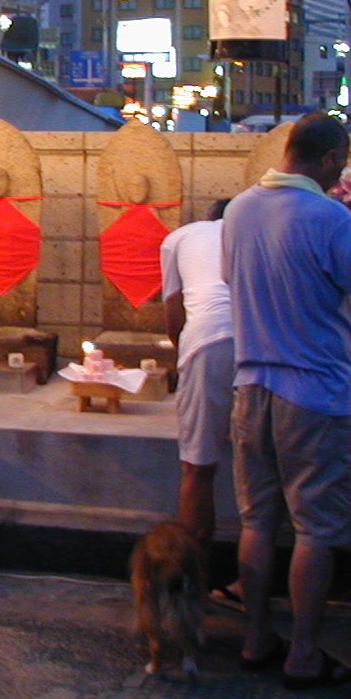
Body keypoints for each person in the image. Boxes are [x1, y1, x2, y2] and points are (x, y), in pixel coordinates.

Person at [222, 113, 351, 690]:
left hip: (251, 388)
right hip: (316, 395)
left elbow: (234, 279)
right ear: (328, 160)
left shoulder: (239, 209)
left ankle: (255, 638)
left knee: (256, 520)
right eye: (341, 163)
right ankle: (302, 653)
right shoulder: (329, 216)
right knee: (314, 529)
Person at [160, 199, 234, 554]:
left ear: (209, 217)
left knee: (198, 467)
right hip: (263, 344)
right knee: (263, 468)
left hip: (207, 342)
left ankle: (191, 572)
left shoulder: (181, 236)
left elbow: (174, 312)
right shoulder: (259, 232)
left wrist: (183, 354)